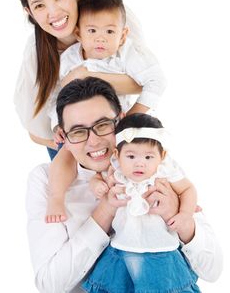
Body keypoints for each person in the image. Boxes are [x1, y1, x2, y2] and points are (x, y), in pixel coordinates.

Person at [26, 77, 222, 293]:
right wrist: (106, 210)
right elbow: (49, 284)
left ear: (119, 121)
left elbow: (213, 271)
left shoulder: (155, 167)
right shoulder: (46, 181)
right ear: (65, 137)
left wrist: (178, 215)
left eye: (102, 125)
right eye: (78, 132)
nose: (93, 141)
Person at [14, 0, 165, 161]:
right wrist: (71, 140)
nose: (54, 12)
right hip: (70, 142)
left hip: (113, 128)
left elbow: (144, 79)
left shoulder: (109, 15)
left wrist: (83, 76)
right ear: (28, 11)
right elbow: (36, 130)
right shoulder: (37, 54)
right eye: (39, 6)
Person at [46, 0, 166, 222]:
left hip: (114, 124)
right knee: (65, 154)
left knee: (135, 156)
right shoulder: (69, 60)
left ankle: (150, 199)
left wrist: (131, 118)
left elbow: (157, 81)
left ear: (123, 35)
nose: (100, 39)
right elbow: (55, 97)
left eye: (110, 32)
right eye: (92, 31)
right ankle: (56, 197)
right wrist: (56, 123)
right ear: (79, 33)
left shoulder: (126, 54)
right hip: (80, 124)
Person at [82, 113, 199, 292]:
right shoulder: (117, 171)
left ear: (162, 156)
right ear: (117, 155)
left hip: (161, 250)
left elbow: (188, 189)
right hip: (122, 247)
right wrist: (96, 184)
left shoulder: (164, 172)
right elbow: (97, 176)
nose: (139, 164)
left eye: (148, 157)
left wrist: (185, 214)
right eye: (131, 156)